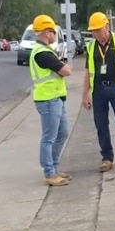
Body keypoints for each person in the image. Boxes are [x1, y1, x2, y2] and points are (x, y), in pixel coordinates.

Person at [82, 12, 115, 174]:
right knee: (101, 125)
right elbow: (87, 70)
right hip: (98, 89)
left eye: (99, 30)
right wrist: (85, 93)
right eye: (94, 31)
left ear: (107, 26)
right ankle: (107, 158)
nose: (97, 34)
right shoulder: (92, 47)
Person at [29, 14, 72, 187]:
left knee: (62, 134)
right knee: (49, 138)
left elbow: (63, 68)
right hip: (47, 99)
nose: (54, 34)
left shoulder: (45, 51)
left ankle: (54, 168)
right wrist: (64, 65)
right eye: (53, 31)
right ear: (47, 32)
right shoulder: (43, 53)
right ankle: (49, 173)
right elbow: (66, 70)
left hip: (55, 98)